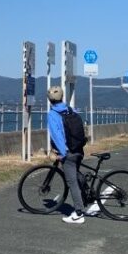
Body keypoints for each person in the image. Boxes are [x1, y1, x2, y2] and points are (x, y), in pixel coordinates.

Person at [46, 85, 98, 222]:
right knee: (76, 174)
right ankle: (88, 194)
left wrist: (63, 153)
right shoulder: (70, 110)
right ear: (62, 97)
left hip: (68, 152)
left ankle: (79, 213)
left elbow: (57, 136)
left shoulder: (53, 114)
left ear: (49, 99)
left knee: (72, 182)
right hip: (79, 149)